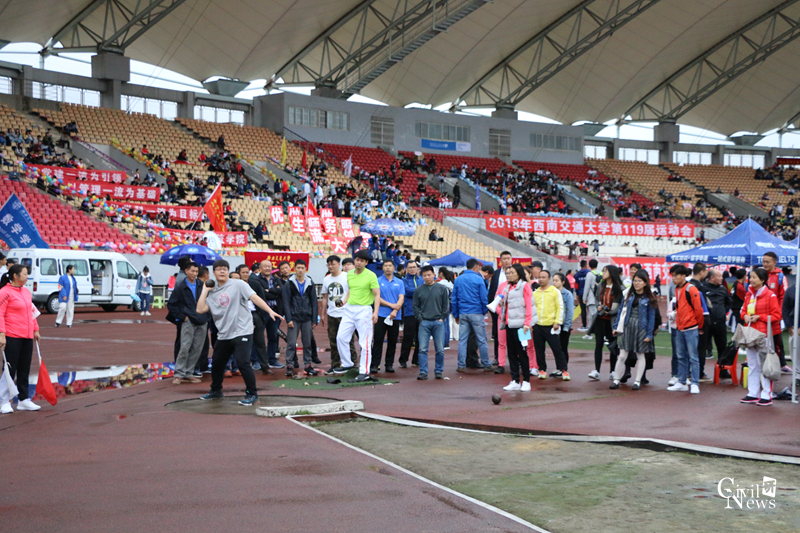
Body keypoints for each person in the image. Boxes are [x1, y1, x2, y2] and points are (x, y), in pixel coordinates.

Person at [196, 259, 283, 406]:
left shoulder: (238, 284)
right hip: (224, 333)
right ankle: (216, 391)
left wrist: (269, 310)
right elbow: (200, 309)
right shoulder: (212, 291)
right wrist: (205, 289)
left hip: (242, 330)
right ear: (214, 272)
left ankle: (252, 394)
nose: (222, 271)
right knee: (217, 364)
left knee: (243, 362)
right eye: (219, 269)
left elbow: (254, 297)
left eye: (225, 269)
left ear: (228, 271)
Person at [0, 264, 42, 413]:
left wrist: (35, 329)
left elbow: (31, 312)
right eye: (24, 274)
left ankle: (24, 400)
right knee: (10, 368)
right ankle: (4, 400)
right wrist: (2, 334)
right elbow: (0, 314)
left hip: (27, 335)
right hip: (12, 335)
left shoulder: (26, 292)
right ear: (15, 276)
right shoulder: (4, 292)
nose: (27, 276)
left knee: (24, 368)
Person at [333, 250, 380, 382]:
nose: (358, 262)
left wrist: (375, 312)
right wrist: (343, 302)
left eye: (362, 261)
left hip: (364, 310)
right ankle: (347, 363)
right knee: (341, 337)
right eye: (357, 260)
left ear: (366, 262)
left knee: (364, 343)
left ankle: (364, 372)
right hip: (349, 309)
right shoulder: (350, 274)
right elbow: (350, 290)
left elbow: (377, 295)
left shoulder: (371, 275)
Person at [740, 268, 782, 406]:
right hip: (750, 334)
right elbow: (743, 311)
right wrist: (745, 316)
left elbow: (777, 315)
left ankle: (766, 395)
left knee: (765, 365)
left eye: (754, 277)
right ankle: (753, 393)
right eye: (750, 277)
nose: (751, 280)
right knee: (752, 364)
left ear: (763, 280)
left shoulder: (770, 295)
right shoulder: (749, 294)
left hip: (764, 335)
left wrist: (760, 317)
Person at [610, 270, 657, 390]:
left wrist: (649, 334)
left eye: (639, 281)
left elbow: (651, 318)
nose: (636, 283)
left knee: (640, 355)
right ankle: (616, 380)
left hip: (641, 328)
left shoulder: (650, 298)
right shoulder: (628, 295)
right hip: (627, 326)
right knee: (622, 355)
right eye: (635, 281)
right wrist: (616, 326)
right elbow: (621, 311)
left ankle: (637, 381)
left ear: (645, 283)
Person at [167, 262, 208, 384]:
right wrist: (183, 317)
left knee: (197, 348)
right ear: (186, 271)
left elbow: (210, 300)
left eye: (196, 271)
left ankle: (189, 372)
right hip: (188, 320)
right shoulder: (181, 286)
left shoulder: (202, 285)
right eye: (192, 271)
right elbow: (171, 305)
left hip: (202, 320)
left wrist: (207, 316)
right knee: (185, 347)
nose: (194, 274)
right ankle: (179, 373)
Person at [667, 264, 705, 394]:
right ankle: (682, 381)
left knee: (693, 357)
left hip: (690, 327)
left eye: (675, 275)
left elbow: (698, 309)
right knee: (681, 356)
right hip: (680, 327)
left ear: (683, 276)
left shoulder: (691, 289)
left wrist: (700, 326)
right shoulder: (677, 289)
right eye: (672, 275)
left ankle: (695, 383)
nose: (673, 278)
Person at [499, 264, 535, 391]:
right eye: (507, 273)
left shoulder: (525, 286)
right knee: (512, 353)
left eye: (512, 273)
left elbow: (529, 305)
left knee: (522, 353)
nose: (509, 275)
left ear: (519, 273)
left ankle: (526, 381)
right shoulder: (508, 287)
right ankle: (515, 380)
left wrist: (527, 323)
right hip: (509, 324)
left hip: (521, 325)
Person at [452, 258, 491, 372]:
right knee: (481, 339)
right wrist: (484, 311)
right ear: (476, 267)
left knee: (462, 340)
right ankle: (486, 363)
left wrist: (456, 314)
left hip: (463, 312)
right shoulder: (479, 279)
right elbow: (484, 298)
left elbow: (454, 299)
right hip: (476, 312)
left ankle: (461, 364)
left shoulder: (458, 279)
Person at [413, 265, 450, 380]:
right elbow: (415, 306)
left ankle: (438, 370)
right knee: (422, 349)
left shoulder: (442, 288)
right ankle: (423, 371)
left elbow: (446, 305)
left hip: (438, 322)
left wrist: (442, 318)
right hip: (424, 322)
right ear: (422, 276)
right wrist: (420, 319)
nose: (427, 277)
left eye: (429, 275)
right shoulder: (419, 290)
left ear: (434, 275)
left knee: (440, 349)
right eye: (424, 275)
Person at [321, 255, 356, 375]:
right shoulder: (326, 279)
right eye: (328, 264)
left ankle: (353, 364)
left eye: (333, 264)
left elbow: (352, 292)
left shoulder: (347, 277)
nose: (330, 266)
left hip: (346, 313)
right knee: (333, 341)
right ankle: (335, 364)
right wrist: (323, 313)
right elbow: (325, 297)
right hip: (332, 314)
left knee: (348, 340)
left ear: (339, 264)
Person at [281, 259, 318, 377]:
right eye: (298, 268)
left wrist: (314, 319)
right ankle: (289, 365)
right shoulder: (289, 283)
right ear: (294, 269)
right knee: (291, 343)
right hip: (294, 318)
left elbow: (314, 301)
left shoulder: (310, 282)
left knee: (307, 343)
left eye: (302, 268)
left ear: (305, 269)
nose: (300, 270)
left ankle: (308, 364)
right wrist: (288, 319)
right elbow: (286, 302)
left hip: (307, 317)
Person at [531, 270, 568, 380]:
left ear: (549, 279)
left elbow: (560, 307)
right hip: (538, 325)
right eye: (539, 277)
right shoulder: (535, 293)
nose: (541, 279)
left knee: (557, 349)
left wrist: (557, 322)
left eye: (543, 277)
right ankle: (542, 370)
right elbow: (532, 309)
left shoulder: (555, 292)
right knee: (539, 350)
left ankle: (563, 370)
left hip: (551, 325)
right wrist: (532, 322)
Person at [588, 265, 623, 381]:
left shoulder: (619, 288)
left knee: (613, 346)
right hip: (600, 318)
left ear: (611, 273)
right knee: (598, 344)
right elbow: (597, 299)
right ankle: (596, 370)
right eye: (603, 271)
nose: (603, 273)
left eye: (605, 271)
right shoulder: (601, 286)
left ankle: (613, 371)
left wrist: (611, 312)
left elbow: (621, 305)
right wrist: (599, 306)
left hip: (612, 320)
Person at [371, 260, 405, 373]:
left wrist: (395, 310)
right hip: (381, 315)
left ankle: (389, 364)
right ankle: (375, 364)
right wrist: (391, 305)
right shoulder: (377, 281)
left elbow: (401, 298)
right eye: (386, 266)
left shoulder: (399, 282)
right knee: (378, 341)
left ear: (394, 267)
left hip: (395, 316)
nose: (388, 268)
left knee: (392, 341)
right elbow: (377, 297)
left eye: (390, 266)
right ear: (382, 268)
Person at [762, 252, 791, 373]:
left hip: (774, 316)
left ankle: (781, 364)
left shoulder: (780, 277)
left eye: (767, 262)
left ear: (775, 263)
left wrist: (778, 314)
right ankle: (762, 364)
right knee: (760, 340)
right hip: (760, 315)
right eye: (763, 261)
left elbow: (783, 297)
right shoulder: (760, 274)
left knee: (777, 340)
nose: (765, 264)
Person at [244, 264, 274, 376]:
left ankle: (264, 366)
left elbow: (262, 298)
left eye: (247, 272)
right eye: (243, 273)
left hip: (255, 314)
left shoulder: (255, 284)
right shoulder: (236, 285)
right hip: (241, 316)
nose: (245, 275)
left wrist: (261, 315)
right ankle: (243, 365)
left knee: (260, 341)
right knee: (243, 342)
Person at [488, 251, 513, 366]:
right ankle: (497, 358)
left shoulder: (516, 272)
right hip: (498, 310)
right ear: (501, 260)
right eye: (504, 259)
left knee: (513, 336)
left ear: (511, 259)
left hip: (513, 310)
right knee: (498, 336)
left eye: (508, 258)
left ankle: (515, 359)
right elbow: (492, 291)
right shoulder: (496, 274)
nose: (506, 260)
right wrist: (493, 308)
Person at [702, 269, 731, 366]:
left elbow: (729, 302)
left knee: (722, 347)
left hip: (720, 322)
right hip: (707, 322)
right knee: (702, 347)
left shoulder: (723, 289)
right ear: (712, 277)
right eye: (719, 276)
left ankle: (722, 369)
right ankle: (700, 371)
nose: (722, 278)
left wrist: (723, 312)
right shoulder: (703, 288)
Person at [399, 261, 422, 368]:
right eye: (410, 267)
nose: (412, 269)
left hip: (421, 313)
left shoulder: (421, 280)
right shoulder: (403, 281)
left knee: (420, 338)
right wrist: (421, 291)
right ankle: (403, 359)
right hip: (409, 312)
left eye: (414, 267)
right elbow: (407, 292)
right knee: (408, 337)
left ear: (417, 268)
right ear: (406, 269)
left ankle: (416, 360)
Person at [552, 273, 574, 369]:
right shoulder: (552, 292)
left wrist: (567, 326)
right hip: (553, 323)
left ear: (563, 282)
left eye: (556, 281)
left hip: (563, 324)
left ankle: (563, 368)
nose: (554, 282)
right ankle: (559, 368)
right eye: (553, 280)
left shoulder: (567, 294)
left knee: (563, 347)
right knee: (556, 348)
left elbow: (570, 311)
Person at [582, 259, 602, 340]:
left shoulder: (589, 274)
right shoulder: (601, 273)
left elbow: (587, 287)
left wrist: (584, 298)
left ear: (589, 265)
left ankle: (589, 333)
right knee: (599, 316)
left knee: (591, 316)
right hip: (600, 299)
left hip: (592, 298)